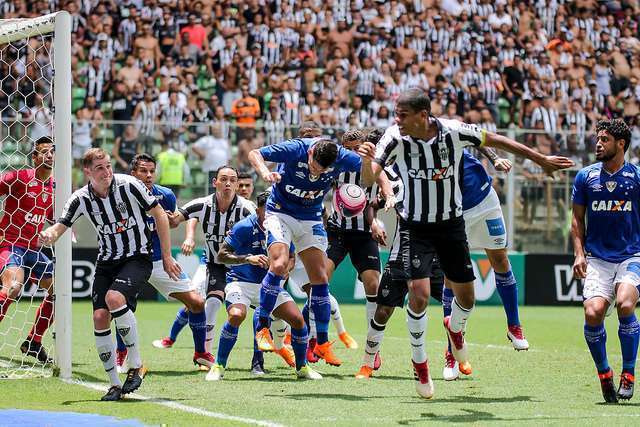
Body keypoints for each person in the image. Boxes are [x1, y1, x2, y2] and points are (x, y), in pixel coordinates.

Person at [359, 87, 574, 398]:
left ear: (423, 115)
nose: (397, 119)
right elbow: (368, 179)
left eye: (403, 114)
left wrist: (539, 159)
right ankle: (420, 365)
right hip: (415, 227)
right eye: (396, 114)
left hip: (451, 226)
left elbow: (497, 140)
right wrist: (367, 162)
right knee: (418, 296)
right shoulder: (393, 137)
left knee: (468, 298)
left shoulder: (453, 131)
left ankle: (455, 328)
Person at [39, 148, 182, 401]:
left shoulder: (130, 185)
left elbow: (159, 214)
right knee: (99, 316)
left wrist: (168, 256)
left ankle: (136, 364)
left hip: (137, 256)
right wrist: (52, 233)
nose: (106, 172)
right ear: (87, 172)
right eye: (99, 168)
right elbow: (62, 224)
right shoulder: (80, 198)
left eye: (107, 166)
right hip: (107, 261)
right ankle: (115, 384)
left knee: (115, 299)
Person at [248, 135, 375, 371]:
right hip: (280, 213)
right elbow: (254, 153)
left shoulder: (341, 156)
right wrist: (265, 172)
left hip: (311, 217)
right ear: (310, 154)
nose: (317, 173)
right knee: (278, 265)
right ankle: (263, 328)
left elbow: (370, 177)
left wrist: (368, 161)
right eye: (315, 167)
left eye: (323, 170)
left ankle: (322, 343)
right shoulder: (295, 149)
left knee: (320, 278)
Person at [112, 154, 214, 373]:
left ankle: (200, 354)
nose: (148, 175)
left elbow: (173, 222)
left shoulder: (165, 195)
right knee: (122, 307)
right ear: (133, 174)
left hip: (159, 261)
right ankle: (121, 353)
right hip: (130, 260)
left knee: (196, 302)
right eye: (143, 171)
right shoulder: (120, 195)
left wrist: (171, 221)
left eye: (151, 171)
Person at [572, 119, 639, 403]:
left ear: (620, 144)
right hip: (597, 258)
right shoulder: (586, 177)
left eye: (604, 139)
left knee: (625, 304)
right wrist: (578, 253)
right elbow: (576, 219)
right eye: (597, 139)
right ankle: (604, 374)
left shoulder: (636, 177)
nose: (598, 144)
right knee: (592, 313)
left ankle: (628, 373)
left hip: (631, 255)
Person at [207, 191, 303, 381]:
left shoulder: (282, 228)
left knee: (298, 320)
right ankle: (218, 365)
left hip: (269, 285)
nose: (272, 215)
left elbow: (292, 257)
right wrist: (247, 258)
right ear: (259, 209)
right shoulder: (244, 226)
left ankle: (303, 368)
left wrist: (286, 269)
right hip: (241, 283)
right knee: (236, 315)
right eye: (268, 210)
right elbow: (221, 255)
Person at [165, 166, 255, 359]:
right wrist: (161, 213)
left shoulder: (247, 209)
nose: (228, 183)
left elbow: (265, 230)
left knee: (270, 311)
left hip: (244, 266)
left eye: (232, 179)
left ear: (237, 184)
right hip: (216, 264)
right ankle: (205, 354)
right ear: (215, 183)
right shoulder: (201, 204)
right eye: (223, 179)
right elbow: (174, 221)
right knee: (212, 303)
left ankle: (277, 349)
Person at [0, 137, 55, 363]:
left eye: (52, 152)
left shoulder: (54, 187)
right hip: (11, 244)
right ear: (34, 157)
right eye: (44, 152)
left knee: (59, 292)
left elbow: (54, 218)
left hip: (34, 249)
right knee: (13, 288)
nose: (49, 156)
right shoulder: (19, 178)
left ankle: (34, 341)